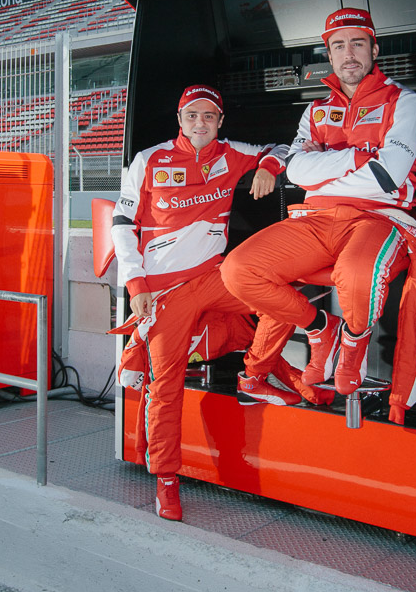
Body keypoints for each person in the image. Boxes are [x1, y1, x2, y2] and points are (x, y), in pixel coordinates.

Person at [221, 8, 416, 425]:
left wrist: (325, 164)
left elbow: (388, 175)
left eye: (357, 43)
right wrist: (357, 158)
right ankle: (323, 327)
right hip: (315, 218)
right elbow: (297, 172)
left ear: (374, 49)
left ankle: (354, 344)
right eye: (338, 46)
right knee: (238, 270)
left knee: (356, 273)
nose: (348, 54)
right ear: (330, 54)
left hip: (380, 217)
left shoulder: (404, 101)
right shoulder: (316, 110)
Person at [112, 84, 307, 522]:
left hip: (213, 278)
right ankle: (166, 480)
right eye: (192, 115)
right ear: (180, 120)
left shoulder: (231, 152)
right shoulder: (149, 159)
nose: (200, 123)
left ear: (220, 121)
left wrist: (269, 166)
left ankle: (255, 375)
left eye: (209, 116)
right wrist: (136, 285)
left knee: (279, 298)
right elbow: (122, 223)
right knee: (166, 388)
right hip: (163, 292)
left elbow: (282, 148)